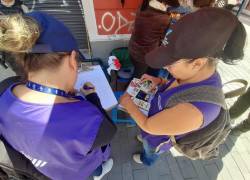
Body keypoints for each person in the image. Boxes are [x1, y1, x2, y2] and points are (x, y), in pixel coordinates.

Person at [120, 7, 246, 165]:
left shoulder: (195, 112)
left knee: (150, 148)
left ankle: (147, 160)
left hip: (158, 138)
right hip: (154, 123)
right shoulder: (196, 74)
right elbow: (179, 89)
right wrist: (161, 82)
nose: (164, 67)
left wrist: (128, 104)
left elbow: (148, 125)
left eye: (169, 62)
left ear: (197, 63)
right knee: (145, 135)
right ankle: (144, 138)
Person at [0, 12, 116, 180]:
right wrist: (92, 97)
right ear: (73, 59)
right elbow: (108, 133)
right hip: (78, 171)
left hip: (45, 172)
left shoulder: (6, 87)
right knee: (94, 166)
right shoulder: (90, 121)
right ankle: (99, 172)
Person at [128, 0, 180, 78]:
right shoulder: (164, 18)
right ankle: (130, 89)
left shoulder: (143, 6)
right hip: (145, 56)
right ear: (164, 3)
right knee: (137, 81)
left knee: (137, 76)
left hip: (133, 49)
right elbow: (163, 38)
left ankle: (134, 88)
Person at [0, 0, 29, 78]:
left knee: (22, 68)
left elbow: (29, 23)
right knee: (17, 68)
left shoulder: (22, 6)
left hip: (20, 43)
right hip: (5, 44)